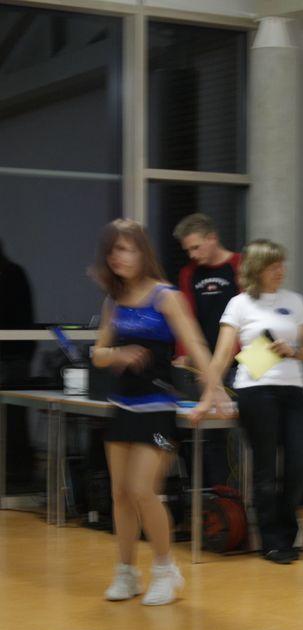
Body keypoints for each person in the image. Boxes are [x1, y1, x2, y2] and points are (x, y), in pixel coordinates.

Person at [90, 219, 214, 605]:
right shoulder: (113, 301)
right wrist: (117, 354)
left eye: (126, 249)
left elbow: (195, 344)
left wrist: (212, 391)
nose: (118, 257)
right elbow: (98, 354)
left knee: (144, 490)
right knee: (120, 493)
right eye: (113, 251)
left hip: (158, 408)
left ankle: (165, 570)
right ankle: (126, 572)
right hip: (122, 406)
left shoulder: (166, 297)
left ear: (143, 252)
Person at [191, 239, 303, 564]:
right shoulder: (239, 304)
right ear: (257, 269)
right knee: (265, 468)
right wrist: (208, 396)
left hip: (293, 390)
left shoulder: (296, 301)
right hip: (255, 390)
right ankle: (271, 540)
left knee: (299, 464)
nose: (281, 271)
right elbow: (222, 355)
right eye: (273, 266)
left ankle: (288, 529)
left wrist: (293, 351)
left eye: (282, 264)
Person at [173, 213, 242, 486]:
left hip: (238, 365)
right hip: (203, 365)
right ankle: (217, 494)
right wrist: (184, 356)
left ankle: (240, 495)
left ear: (212, 238)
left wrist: (224, 363)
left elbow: (247, 318)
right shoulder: (189, 273)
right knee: (212, 435)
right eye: (188, 250)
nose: (193, 254)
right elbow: (186, 319)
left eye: (196, 247)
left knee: (238, 432)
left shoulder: (239, 265)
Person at [0, 241, 36, 486]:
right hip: (17, 355)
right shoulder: (14, 273)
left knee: (14, 420)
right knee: (15, 419)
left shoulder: (12, 275)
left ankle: (18, 474)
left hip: (13, 355)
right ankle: (18, 472)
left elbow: (21, 317)